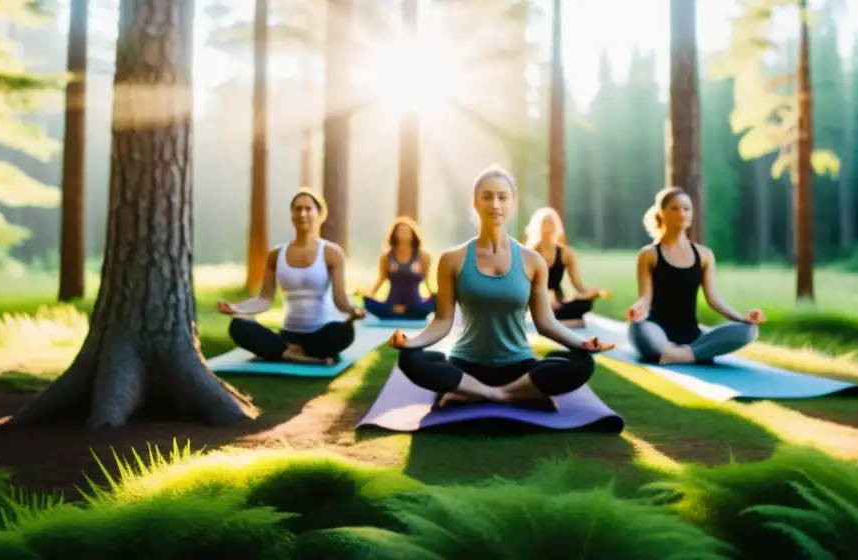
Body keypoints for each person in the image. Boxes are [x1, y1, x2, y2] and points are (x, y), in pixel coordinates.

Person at [387, 164, 614, 410]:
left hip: (518, 365)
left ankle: (483, 394)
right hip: (466, 364)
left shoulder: (532, 261)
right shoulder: (452, 259)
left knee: (583, 363)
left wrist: (583, 345)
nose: (495, 204)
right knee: (410, 359)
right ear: (475, 202)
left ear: (512, 205)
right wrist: (412, 343)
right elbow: (442, 321)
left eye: (502, 197)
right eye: (487, 197)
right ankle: (510, 394)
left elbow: (546, 323)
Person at [216, 188, 365, 365]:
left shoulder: (332, 253)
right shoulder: (275, 255)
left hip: (321, 334)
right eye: (297, 208)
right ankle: (298, 353)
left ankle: (284, 353)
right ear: (292, 214)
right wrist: (237, 309)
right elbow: (264, 299)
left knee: (344, 332)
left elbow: (340, 300)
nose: (302, 213)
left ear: (319, 214)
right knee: (238, 325)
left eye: (308, 209)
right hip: (288, 334)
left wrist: (352, 312)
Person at [627, 186, 765, 365]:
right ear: (661, 213)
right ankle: (694, 354)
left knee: (749, 331)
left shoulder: (704, 255)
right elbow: (645, 298)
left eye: (687, 208)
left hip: (691, 333)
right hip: (655, 330)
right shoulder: (649, 254)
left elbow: (714, 299)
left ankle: (677, 354)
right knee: (638, 327)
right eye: (675, 208)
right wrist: (637, 310)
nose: (682, 213)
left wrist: (741, 318)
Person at [523, 207, 610, 328]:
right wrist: (544, 295)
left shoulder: (566, 253)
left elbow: (579, 286)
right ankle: (558, 321)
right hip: (537, 300)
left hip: (559, 302)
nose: (548, 226)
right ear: (537, 226)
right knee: (538, 307)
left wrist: (593, 293)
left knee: (586, 303)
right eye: (544, 222)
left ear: (556, 226)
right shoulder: (530, 252)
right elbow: (524, 283)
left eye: (551, 223)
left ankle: (553, 322)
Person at [358, 216, 435, 320]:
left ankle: (407, 312)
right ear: (394, 234)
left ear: (413, 234)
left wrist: (435, 296)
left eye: (406, 231)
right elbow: (381, 280)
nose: (403, 233)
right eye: (400, 231)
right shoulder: (386, 257)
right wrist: (368, 295)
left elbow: (427, 280)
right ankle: (397, 312)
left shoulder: (423, 257)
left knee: (436, 302)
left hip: (415, 306)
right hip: (391, 306)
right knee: (367, 301)